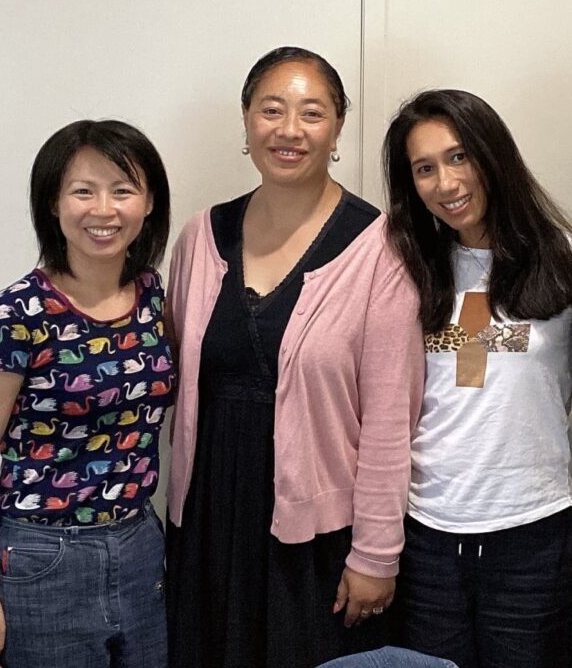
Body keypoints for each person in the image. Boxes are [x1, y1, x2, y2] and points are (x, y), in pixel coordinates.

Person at [163, 46, 423, 668]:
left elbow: (391, 422)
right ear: (247, 121)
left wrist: (376, 553)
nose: (289, 130)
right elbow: (172, 375)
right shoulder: (202, 235)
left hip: (315, 536)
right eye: (271, 109)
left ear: (337, 129)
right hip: (207, 518)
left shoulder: (380, 247)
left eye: (312, 113)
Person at [0, 119, 174, 668]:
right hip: (43, 556)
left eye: (123, 190)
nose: (104, 210)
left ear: (148, 204)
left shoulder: (152, 297)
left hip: (140, 544)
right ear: (53, 203)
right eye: (83, 191)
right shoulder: (11, 314)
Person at [382, 89, 572, 668]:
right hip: (427, 534)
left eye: (458, 157)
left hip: (533, 534)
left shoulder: (571, 260)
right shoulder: (403, 267)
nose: (445, 183)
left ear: (492, 156)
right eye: (424, 169)